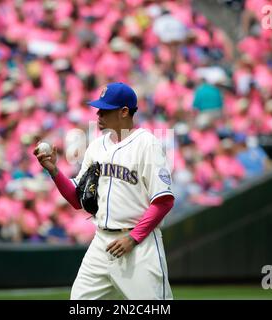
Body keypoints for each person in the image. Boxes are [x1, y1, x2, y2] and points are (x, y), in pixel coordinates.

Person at [34, 82, 175, 300]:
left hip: (138, 246)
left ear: (124, 111)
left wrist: (133, 238)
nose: (98, 114)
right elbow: (76, 199)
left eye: (105, 109)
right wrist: (54, 171)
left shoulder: (147, 144)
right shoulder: (97, 146)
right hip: (101, 243)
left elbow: (163, 202)